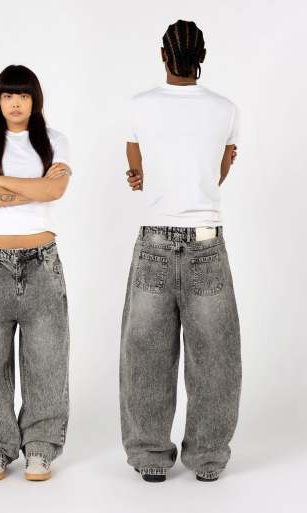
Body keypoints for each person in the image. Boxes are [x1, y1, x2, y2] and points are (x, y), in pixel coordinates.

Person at [119, 19, 242, 483]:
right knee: (216, 358)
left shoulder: (139, 105)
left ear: (162, 55)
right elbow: (218, 172)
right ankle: (207, 459)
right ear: (202, 57)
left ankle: (150, 456)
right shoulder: (226, 109)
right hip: (206, 241)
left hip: (154, 239)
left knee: (145, 354)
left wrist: (144, 179)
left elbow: (137, 168)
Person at [0, 64, 72, 481]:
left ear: (34, 100)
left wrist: (2, 180)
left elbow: (54, 189)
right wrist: (32, 187)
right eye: (8, 95)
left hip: (42, 264)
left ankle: (40, 447)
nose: (16, 103)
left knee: (47, 362)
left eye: (23, 95)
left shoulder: (54, 141)